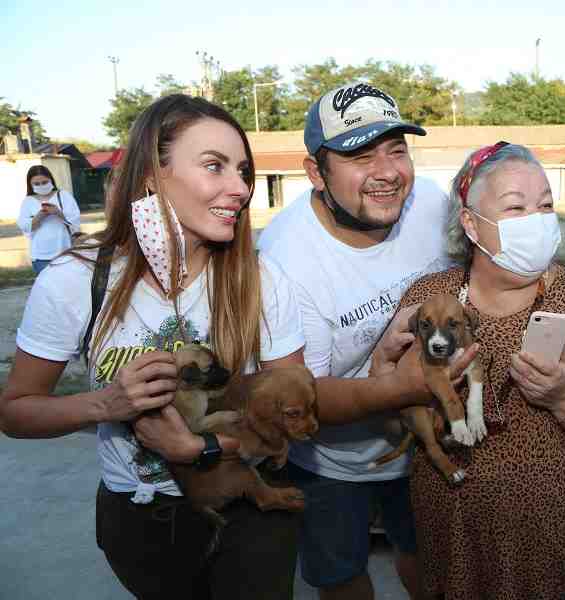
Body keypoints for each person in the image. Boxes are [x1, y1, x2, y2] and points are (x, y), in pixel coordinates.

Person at [0, 94, 463, 600]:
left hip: (253, 501)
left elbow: (297, 408)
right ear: (152, 174)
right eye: (214, 166)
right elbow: (17, 412)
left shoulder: (261, 278)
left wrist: (205, 447)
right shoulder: (75, 280)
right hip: (143, 516)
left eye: (243, 170)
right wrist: (108, 404)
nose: (239, 188)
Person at [387, 142, 565, 599]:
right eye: (515, 207)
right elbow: (389, 414)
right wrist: (387, 374)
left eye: (545, 205)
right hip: (450, 541)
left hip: (550, 552)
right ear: (470, 223)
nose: (537, 219)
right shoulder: (431, 298)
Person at [257, 82, 456, 600]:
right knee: (342, 576)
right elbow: (303, 400)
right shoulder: (282, 263)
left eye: (397, 149)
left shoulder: (430, 204)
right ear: (314, 173)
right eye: (359, 155)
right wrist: (404, 385)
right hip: (330, 464)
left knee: (432, 558)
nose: (387, 172)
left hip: (426, 441)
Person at [16, 165, 81, 274]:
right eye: (36, 184)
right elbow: (24, 226)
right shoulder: (28, 201)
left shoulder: (63, 196)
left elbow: (75, 220)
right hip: (40, 256)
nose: (41, 186)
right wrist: (38, 217)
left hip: (64, 251)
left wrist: (58, 213)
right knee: (46, 288)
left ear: (51, 180)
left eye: (44, 182)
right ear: (30, 185)